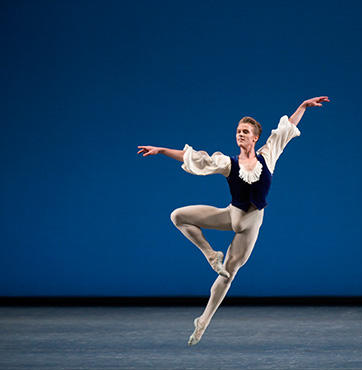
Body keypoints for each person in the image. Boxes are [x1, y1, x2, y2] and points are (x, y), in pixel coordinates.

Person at [137, 96, 330, 346]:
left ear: (254, 138)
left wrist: (302, 107)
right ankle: (210, 254)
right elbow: (193, 158)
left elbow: (285, 129)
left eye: (245, 131)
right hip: (231, 215)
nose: (240, 134)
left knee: (228, 274)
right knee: (179, 216)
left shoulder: (267, 155)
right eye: (238, 131)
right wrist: (162, 150)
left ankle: (203, 321)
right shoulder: (228, 162)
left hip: (250, 225)